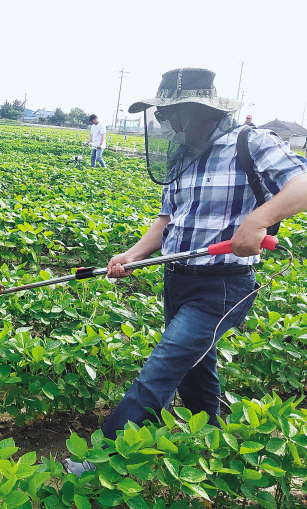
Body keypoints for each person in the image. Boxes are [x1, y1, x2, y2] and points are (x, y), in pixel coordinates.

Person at [63, 68, 307, 476]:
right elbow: (165, 222)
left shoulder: (251, 143)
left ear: (196, 112)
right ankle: (212, 440)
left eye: (169, 114)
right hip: (177, 279)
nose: (164, 124)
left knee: (163, 367)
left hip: (224, 284)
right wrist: (130, 254)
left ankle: (101, 458)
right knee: (196, 364)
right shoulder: (181, 160)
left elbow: (301, 186)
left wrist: (258, 220)